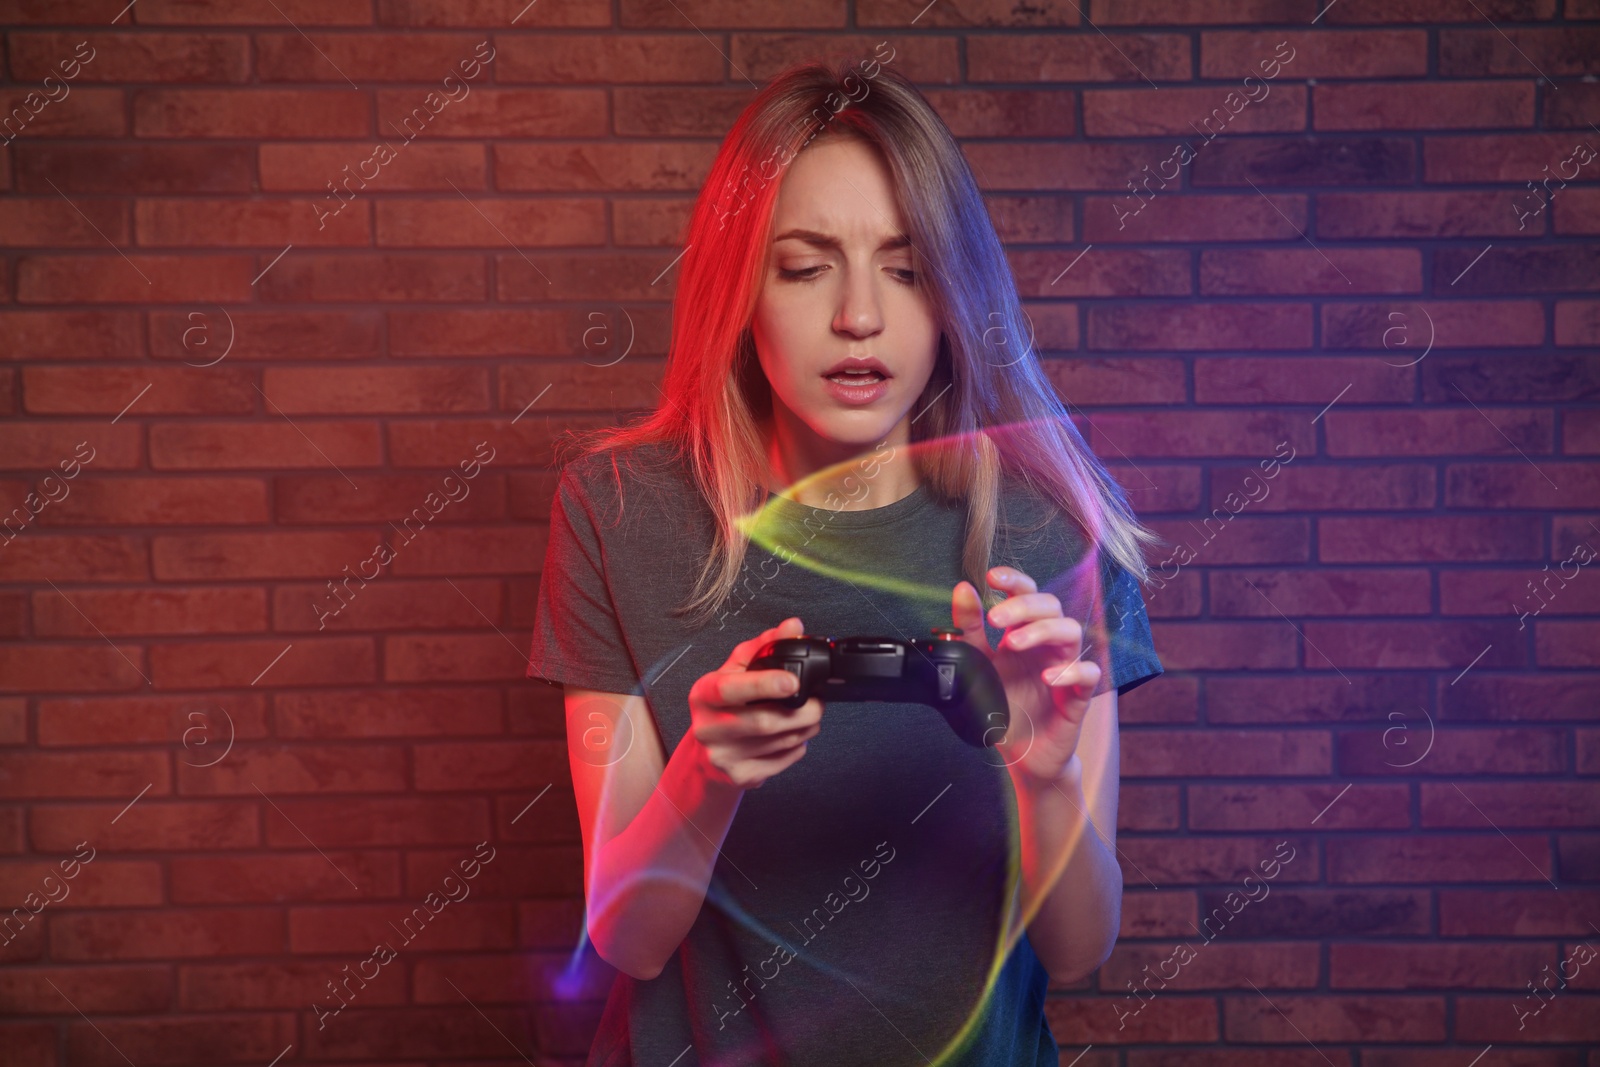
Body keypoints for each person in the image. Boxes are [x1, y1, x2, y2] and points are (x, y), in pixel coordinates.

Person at [527, 56, 1164, 1067]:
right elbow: (628, 937)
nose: (859, 314)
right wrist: (706, 775)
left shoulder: (1050, 532)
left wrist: (1044, 781)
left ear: (955, 292)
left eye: (906, 267)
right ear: (740, 286)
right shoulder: (618, 511)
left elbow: (1079, 946)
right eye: (805, 263)